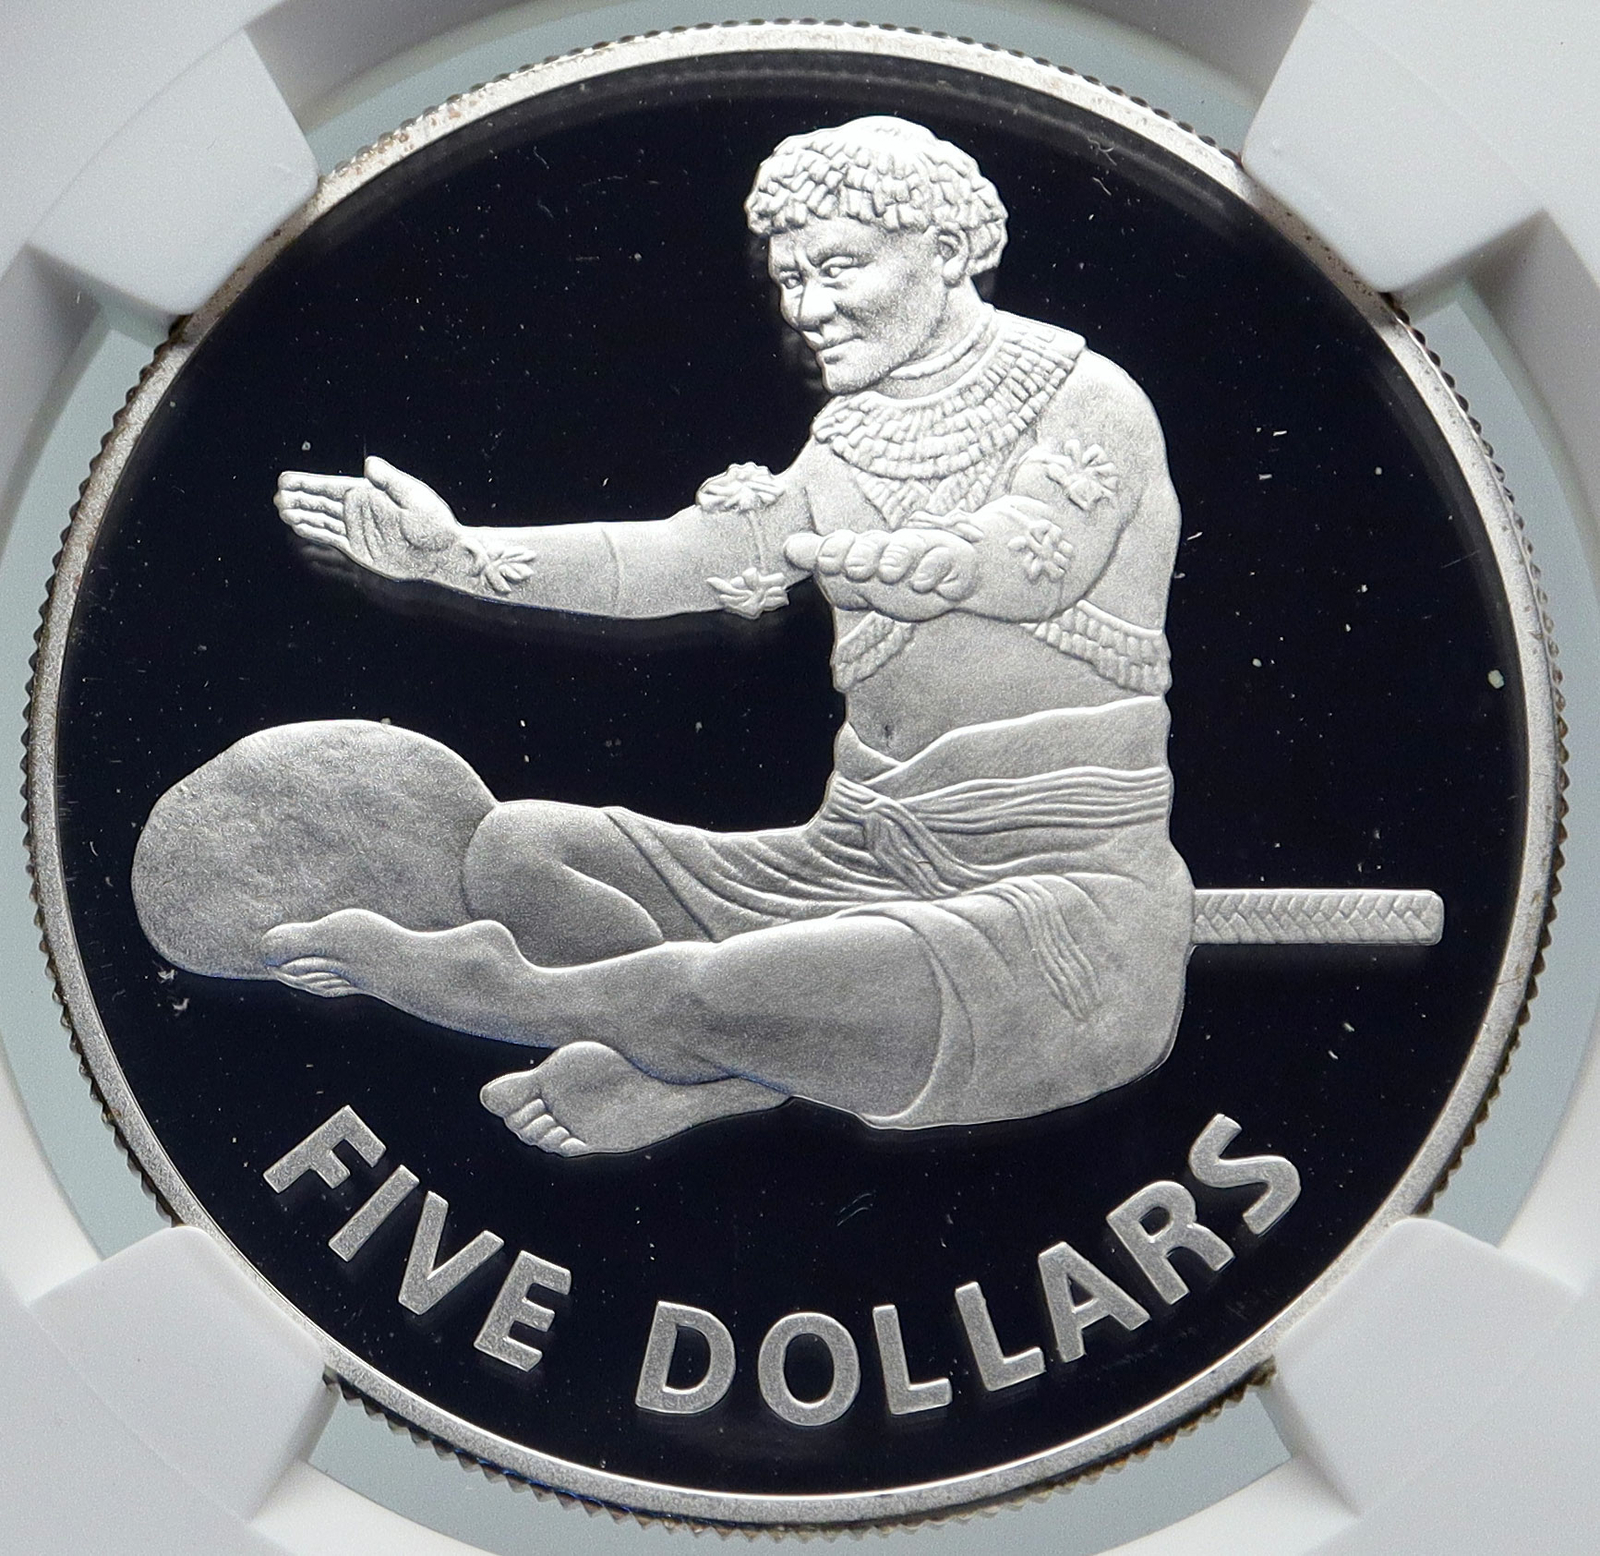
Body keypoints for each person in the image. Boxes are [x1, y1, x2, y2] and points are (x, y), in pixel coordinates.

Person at [264, 115, 1194, 1156]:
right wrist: (453, 555)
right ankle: (716, 1055)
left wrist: (942, 560)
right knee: (521, 851)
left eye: (837, 267)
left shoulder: (1087, 399)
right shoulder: (849, 438)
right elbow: (675, 560)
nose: (806, 308)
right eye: (791, 279)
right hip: (847, 864)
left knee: (727, 984)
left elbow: (1037, 556)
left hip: (1057, 907)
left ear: (946, 249)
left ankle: (498, 989)